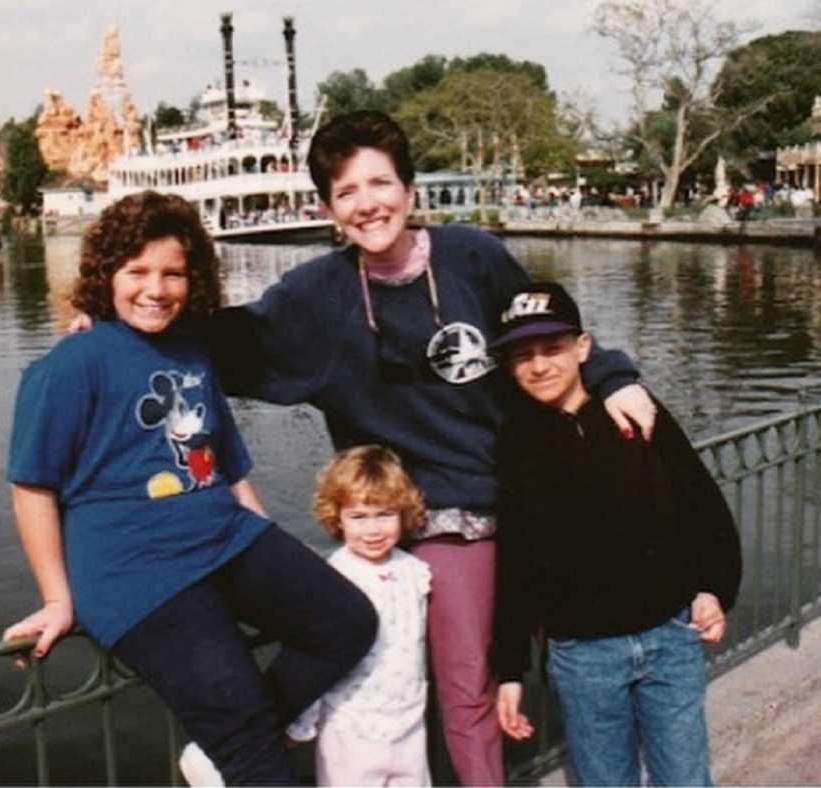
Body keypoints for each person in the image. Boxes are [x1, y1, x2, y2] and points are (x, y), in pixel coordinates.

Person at [70, 111, 656, 785]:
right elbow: (220, 340)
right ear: (328, 208)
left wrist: (614, 377)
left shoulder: (474, 257)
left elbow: (549, 333)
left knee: (507, 677)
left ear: (410, 190)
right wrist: (112, 323)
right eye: (346, 192)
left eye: (380, 183)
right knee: (391, 683)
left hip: (510, 502)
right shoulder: (316, 297)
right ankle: (250, 745)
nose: (367, 203)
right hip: (404, 518)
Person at [2, 192, 377, 787]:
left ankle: (221, 747)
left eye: (173, 273)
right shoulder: (73, 363)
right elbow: (32, 488)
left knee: (349, 621)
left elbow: (225, 461)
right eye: (137, 272)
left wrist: (266, 539)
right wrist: (57, 599)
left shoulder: (192, 348)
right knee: (251, 742)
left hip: (222, 537)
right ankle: (238, 741)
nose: (156, 289)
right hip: (137, 573)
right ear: (107, 275)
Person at [490, 282, 743, 786]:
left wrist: (713, 587)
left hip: (670, 636)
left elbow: (699, 504)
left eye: (553, 349)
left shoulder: (634, 409)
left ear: (584, 347)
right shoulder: (516, 442)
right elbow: (515, 564)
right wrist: (511, 669)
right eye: (523, 355)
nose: (539, 365)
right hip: (583, 656)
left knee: (687, 778)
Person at [283, 444, 432, 786]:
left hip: (408, 722)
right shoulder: (334, 579)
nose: (374, 530)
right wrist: (303, 723)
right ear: (337, 518)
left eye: (385, 514)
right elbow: (314, 656)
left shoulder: (416, 572)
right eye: (359, 517)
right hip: (350, 728)